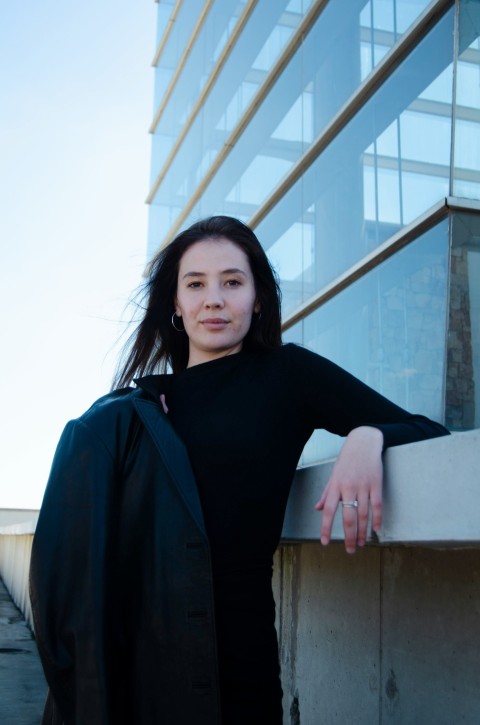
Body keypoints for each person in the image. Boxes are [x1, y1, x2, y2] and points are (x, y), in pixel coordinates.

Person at [30, 216, 449, 725]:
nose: (214, 298)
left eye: (232, 281)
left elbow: (425, 429)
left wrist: (368, 436)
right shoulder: (134, 413)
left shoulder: (287, 376)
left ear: (257, 298)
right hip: (139, 674)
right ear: (177, 306)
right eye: (196, 284)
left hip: (241, 673)